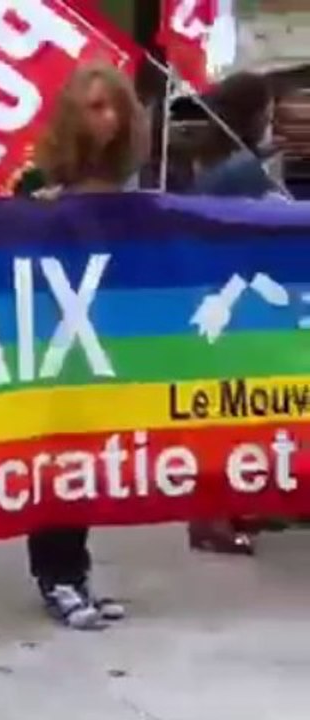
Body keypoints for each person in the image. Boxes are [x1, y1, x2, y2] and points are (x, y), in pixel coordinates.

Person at [27, 61, 147, 630]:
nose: (109, 118)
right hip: (56, 342)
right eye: (96, 107)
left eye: (115, 105)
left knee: (86, 463)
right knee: (56, 456)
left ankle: (76, 573)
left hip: (106, 340)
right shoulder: (40, 184)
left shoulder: (131, 190)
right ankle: (53, 576)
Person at [185, 72, 285, 555]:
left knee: (239, 406)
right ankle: (210, 517)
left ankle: (237, 501)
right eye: (267, 106)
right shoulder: (238, 167)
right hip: (229, 300)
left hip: (231, 294)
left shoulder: (224, 158)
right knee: (227, 410)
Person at [192, 72, 287, 200]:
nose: (271, 123)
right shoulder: (245, 172)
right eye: (269, 116)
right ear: (258, 119)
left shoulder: (201, 158)